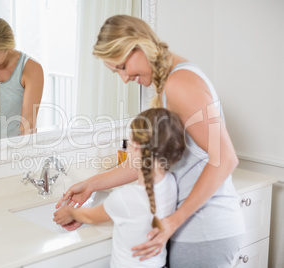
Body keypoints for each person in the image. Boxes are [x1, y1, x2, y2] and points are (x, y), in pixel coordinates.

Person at [56, 15, 245, 267]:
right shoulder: (168, 82)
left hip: (203, 228)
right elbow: (145, 163)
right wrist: (91, 184)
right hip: (194, 227)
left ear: (140, 46)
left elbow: (225, 160)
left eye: (122, 66)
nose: (124, 78)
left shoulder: (179, 84)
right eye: (116, 72)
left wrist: (173, 221)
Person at [54, 108, 185, 268]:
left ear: (136, 146)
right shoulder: (171, 183)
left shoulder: (125, 197)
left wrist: (69, 212)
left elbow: (90, 216)